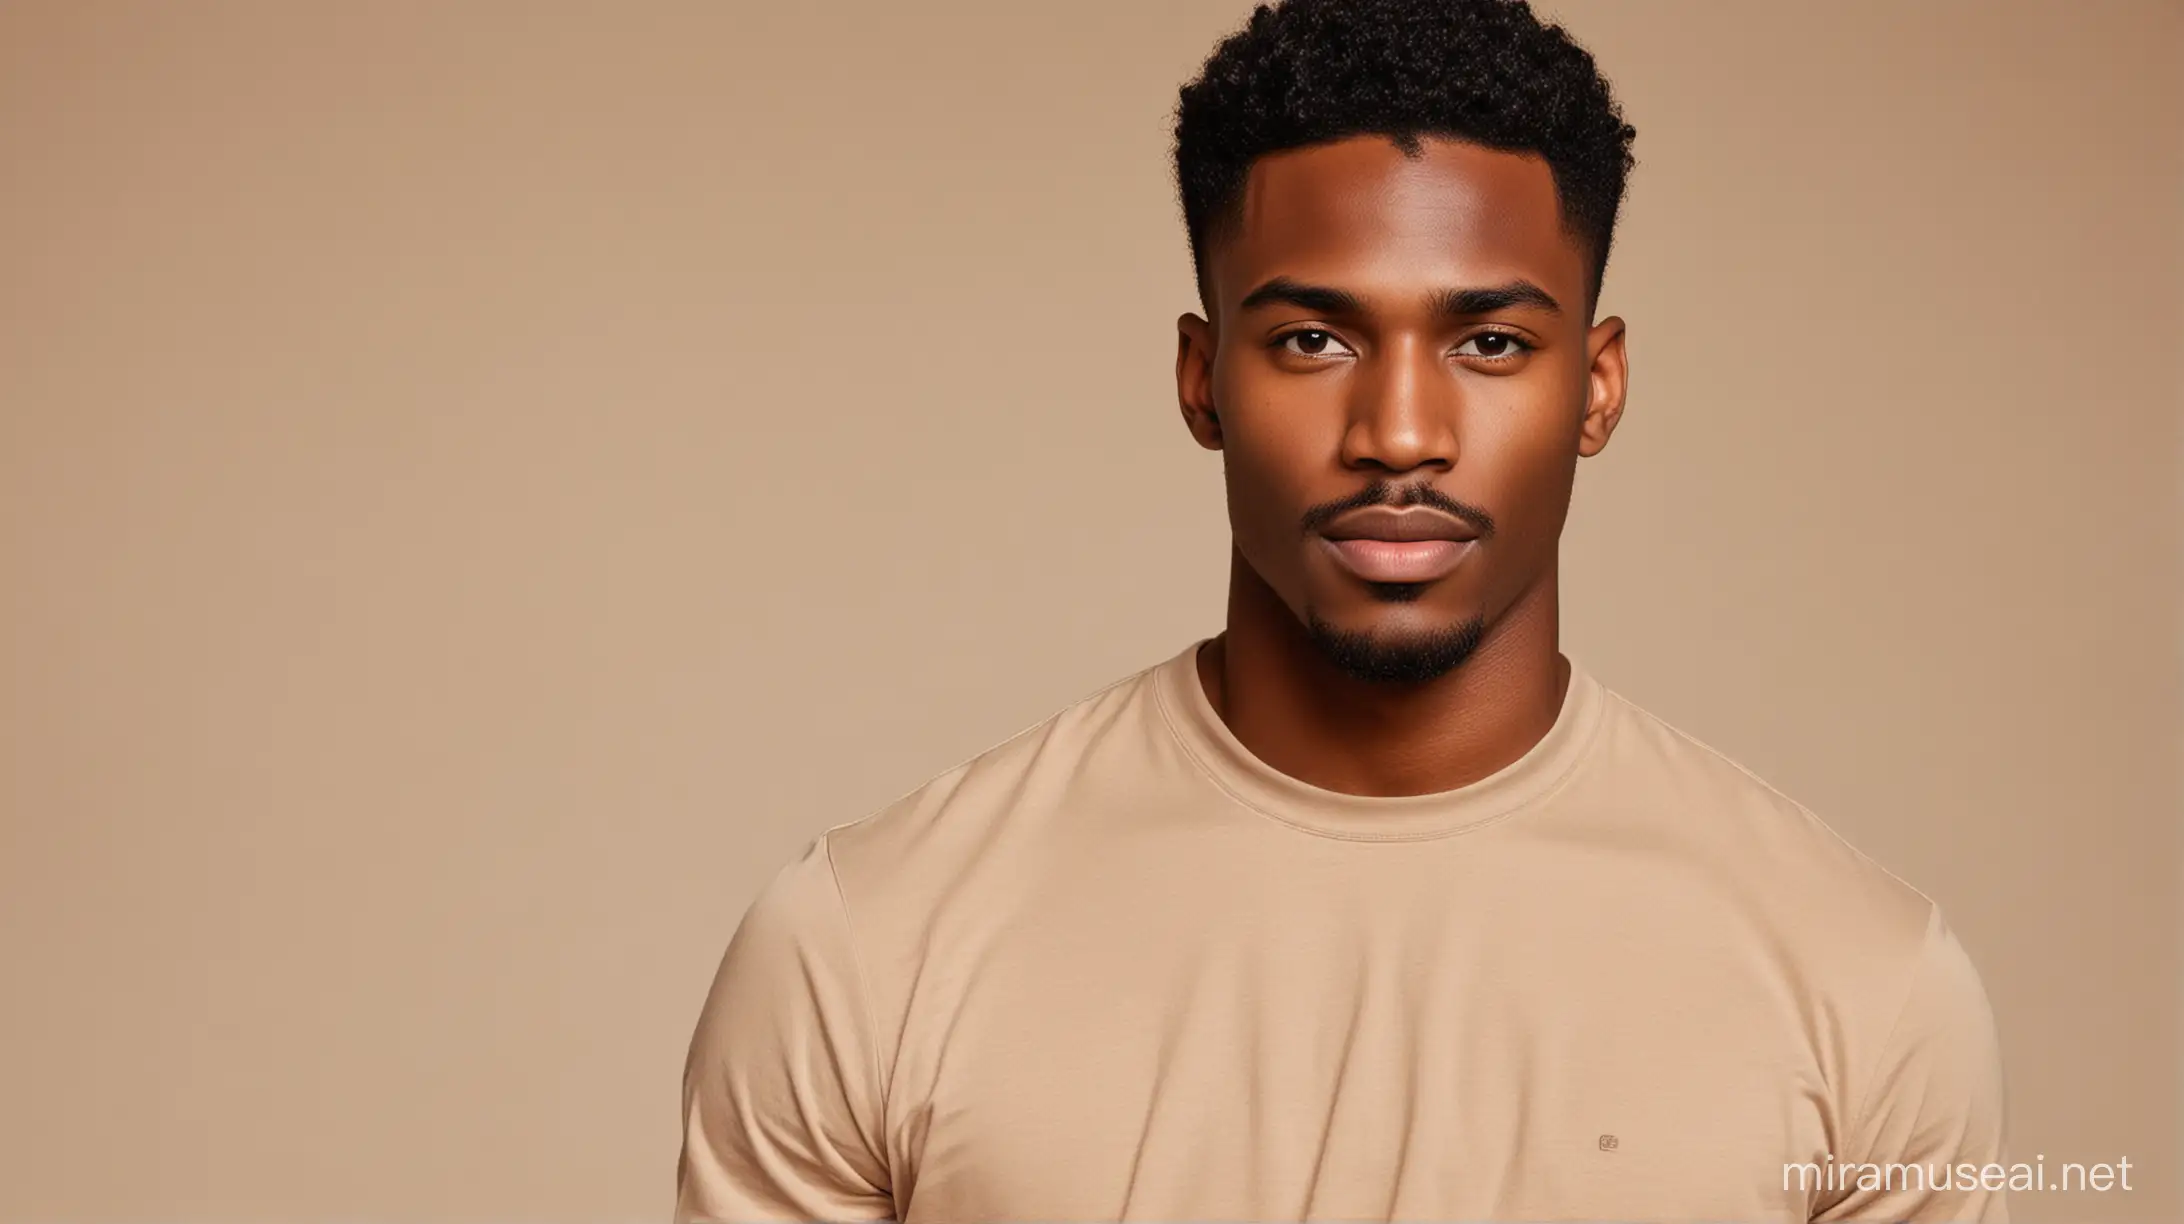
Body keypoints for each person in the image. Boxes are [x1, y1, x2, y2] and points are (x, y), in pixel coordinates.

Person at [674, 0, 2010, 1219]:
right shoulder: (871, 945)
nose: (1401, 433)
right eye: (1313, 340)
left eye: (1491, 343)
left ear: (1596, 388)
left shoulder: (1860, 984)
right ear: (1203, 380)